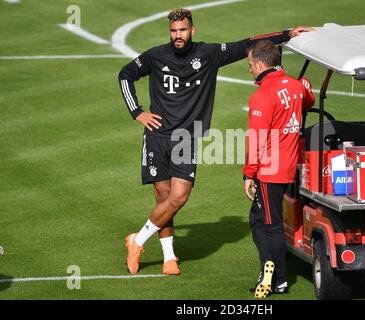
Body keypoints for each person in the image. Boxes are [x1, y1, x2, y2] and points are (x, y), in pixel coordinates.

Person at [118, 7, 313, 276]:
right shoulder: (154, 56)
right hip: (156, 137)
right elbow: (125, 75)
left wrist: (287, 34)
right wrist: (137, 112)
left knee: (179, 196)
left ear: (192, 30)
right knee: (164, 198)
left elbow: (246, 44)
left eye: (183, 30)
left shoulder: (207, 54)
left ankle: (136, 241)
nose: (178, 35)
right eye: (174, 31)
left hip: (185, 138)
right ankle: (169, 257)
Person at [243, 40, 315, 298]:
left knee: (269, 224)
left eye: (250, 65)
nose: (250, 69)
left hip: (269, 170)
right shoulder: (295, 86)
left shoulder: (262, 95)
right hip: (289, 166)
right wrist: (306, 86)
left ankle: (274, 276)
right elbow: (309, 99)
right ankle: (275, 275)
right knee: (261, 219)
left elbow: (257, 138)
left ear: (261, 64)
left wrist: (248, 173)